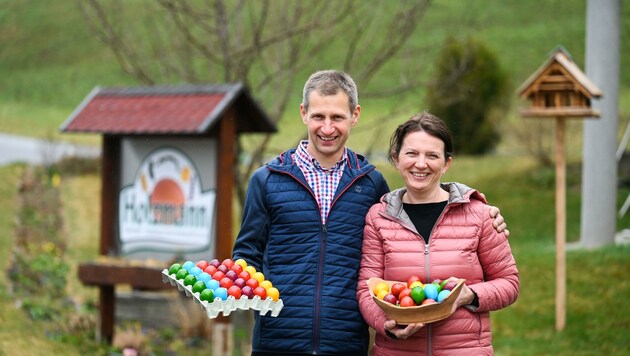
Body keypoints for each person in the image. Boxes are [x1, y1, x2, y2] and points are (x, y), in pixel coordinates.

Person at [232, 71, 508, 355]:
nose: (327, 128)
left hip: (345, 343)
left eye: (337, 117)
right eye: (318, 116)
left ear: (355, 115)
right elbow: (246, 254)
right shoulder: (266, 180)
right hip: (278, 342)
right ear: (303, 113)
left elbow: (409, 221)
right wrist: (242, 293)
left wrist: (474, 204)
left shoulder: (370, 183)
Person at [357, 112, 520, 355]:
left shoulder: (479, 214)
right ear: (396, 158)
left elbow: (509, 283)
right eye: (411, 153)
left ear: (446, 163)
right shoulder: (379, 217)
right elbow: (366, 289)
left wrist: (470, 295)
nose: (420, 164)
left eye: (432, 155)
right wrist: (386, 325)